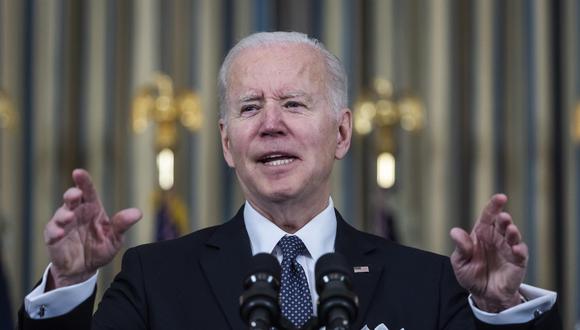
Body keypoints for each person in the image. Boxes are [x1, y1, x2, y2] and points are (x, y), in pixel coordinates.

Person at [18, 31, 561, 329]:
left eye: (295, 104)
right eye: (250, 107)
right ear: (228, 143)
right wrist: (68, 289)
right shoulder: (154, 277)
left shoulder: (430, 284)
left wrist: (495, 312)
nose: (272, 123)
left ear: (342, 133)